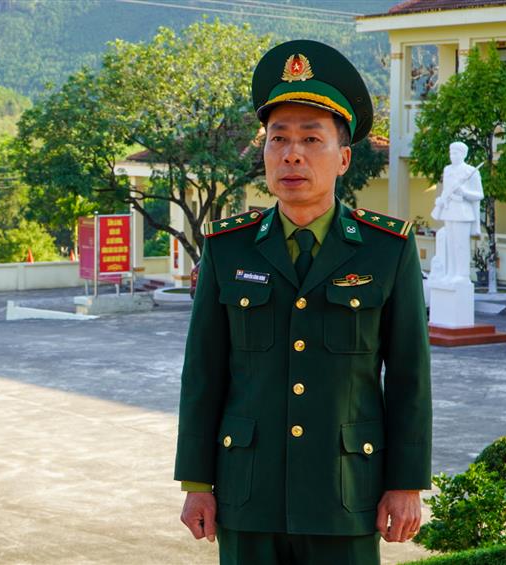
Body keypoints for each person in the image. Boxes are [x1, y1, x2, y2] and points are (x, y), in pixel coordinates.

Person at [174, 40, 432, 565]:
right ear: (265, 153)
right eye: (279, 139)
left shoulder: (387, 250)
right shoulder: (228, 247)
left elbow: (409, 376)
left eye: (311, 139)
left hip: (346, 493)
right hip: (247, 493)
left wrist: (406, 484)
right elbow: (203, 373)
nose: (292, 154)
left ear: (343, 158)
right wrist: (197, 483)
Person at [430, 142, 484, 284]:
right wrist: (441, 200)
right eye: (451, 153)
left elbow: (479, 195)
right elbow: (446, 191)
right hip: (449, 210)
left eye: (455, 153)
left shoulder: (471, 171)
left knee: (461, 245)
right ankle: (451, 273)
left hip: (463, 213)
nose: (452, 156)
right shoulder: (447, 170)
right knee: (450, 244)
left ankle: (462, 274)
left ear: (463, 154)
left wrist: (464, 193)